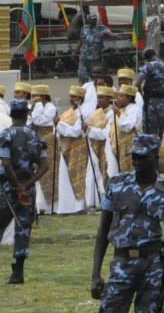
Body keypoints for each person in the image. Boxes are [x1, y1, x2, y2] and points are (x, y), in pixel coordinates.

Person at [89, 131, 164, 313]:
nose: (136, 161)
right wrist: (95, 274)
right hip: (122, 262)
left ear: (155, 157)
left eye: (142, 157)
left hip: (152, 265)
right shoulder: (117, 185)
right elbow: (103, 231)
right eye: (134, 156)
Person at [2, 96, 45, 285]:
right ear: (27, 114)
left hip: (7, 187)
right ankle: (18, 271)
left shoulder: (6, 135)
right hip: (28, 188)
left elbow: (6, 162)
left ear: (11, 114)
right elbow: (45, 165)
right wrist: (27, 184)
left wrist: (15, 184)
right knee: (23, 229)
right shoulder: (35, 136)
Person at [54, 85, 94, 214]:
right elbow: (59, 131)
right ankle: (66, 207)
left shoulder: (84, 113)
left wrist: (59, 124)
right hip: (65, 148)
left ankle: (78, 207)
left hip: (78, 149)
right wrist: (58, 126)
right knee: (65, 177)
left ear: (81, 98)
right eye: (71, 96)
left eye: (75, 97)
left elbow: (76, 131)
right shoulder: (67, 112)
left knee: (78, 177)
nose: (72, 99)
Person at [28, 84, 58, 213]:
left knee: (48, 173)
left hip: (48, 140)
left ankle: (51, 206)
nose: (34, 98)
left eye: (37, 96)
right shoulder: (34, 107)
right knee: (35, 171)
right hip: (36, 141)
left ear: (44, 96)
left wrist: (38, 106)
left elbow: (39, 120)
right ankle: (39, 205)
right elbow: (30, 121)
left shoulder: (50, 108)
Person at [135, 47, 164, 137]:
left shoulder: (147, 67)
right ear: (155, 54)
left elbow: (137, 83)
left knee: (150, 129)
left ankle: (151, 149)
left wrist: (141, 94)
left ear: (145, 58)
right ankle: (158, 146)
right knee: (162, 128)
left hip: (150, 101)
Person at [77, 11, 107, 85]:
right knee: (82, 74)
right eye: (90, 20)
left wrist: (117, 36)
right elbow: (81, 40)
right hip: (84, 57)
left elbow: (110, 34)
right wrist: (76, 49)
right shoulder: (84, 28)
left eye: (94, 20)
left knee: (94, 75)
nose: (92, 22)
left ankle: (94, 87)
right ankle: (84, 87)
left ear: (96, 21)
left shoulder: (101, 29)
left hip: (95, 58)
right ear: (88, 20)